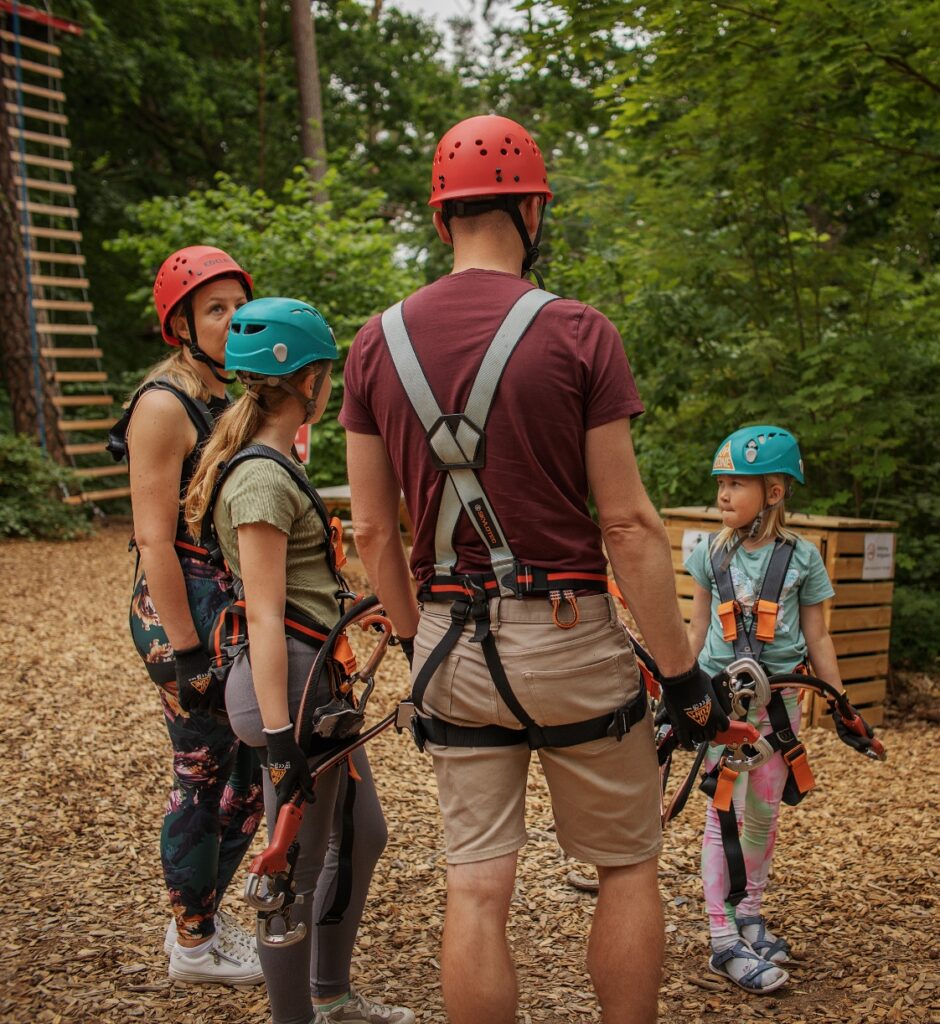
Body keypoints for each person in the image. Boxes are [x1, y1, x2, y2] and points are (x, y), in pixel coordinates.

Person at [339, 113, 728, 1024]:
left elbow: (370, 530)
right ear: (532, 208)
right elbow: (628, 523)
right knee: (626, 865)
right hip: (568, 639)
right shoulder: (579, 332)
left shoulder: (374, 342)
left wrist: (412, 640)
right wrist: (681, 676)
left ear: (443, 220)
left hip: (448, 646)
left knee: (475, 887)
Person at [183, 297, 415, 1024]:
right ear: (307, 379)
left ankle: (331, 993)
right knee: (295, 864)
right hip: (287, 689)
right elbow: (261, 611)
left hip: (314, 678)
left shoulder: (274, 462)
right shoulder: (259, 480)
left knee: (363, 831)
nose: (331, 386)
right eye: (328, 374)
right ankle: (304, 1014)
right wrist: (281, 745)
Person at [110, 245, 264, 985]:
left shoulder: (224, 397)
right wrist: (187, 650)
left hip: (226, 604)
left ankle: (200, 911)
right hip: (182, 610)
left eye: (239, 304)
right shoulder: (164, 405)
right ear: (180, 324)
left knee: (256, 770)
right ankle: (194, 941)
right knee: (203, 769)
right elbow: (152, 537)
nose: (233, 319)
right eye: (215, 308)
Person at [685, 425, 858, 994]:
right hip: (723, 705)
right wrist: (679, 696)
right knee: (724, 815)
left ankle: (749, 913)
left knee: (763, 813)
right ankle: (721, 939)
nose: (725, 494)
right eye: (722, 484)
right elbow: (697, 628)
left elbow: (819, 638)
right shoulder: (710, 554)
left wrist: (840, 706)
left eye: (738, 483)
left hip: (779, 709)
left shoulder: (803, 559)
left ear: (775, 494)